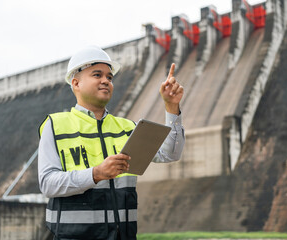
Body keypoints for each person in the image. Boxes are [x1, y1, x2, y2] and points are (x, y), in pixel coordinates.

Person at [38, 45, 185, 240]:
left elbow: (170, 153)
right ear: (76, 83)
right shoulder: (55, 125)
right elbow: (48, 184)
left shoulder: (127, 128)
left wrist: (171, 107)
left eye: (109, 77)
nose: (105, 81)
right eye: (97, 75)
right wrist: (96, 174)